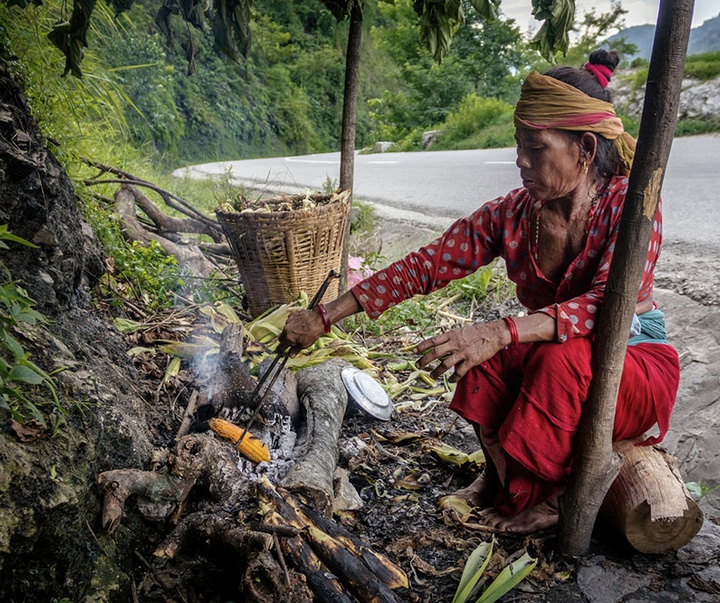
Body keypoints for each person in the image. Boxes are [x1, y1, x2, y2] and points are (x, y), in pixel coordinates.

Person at [281, 49, 680, 534]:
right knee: (480, 357)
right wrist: (324, 317)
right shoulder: (515, 212)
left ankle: (553, 500)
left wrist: (502, 330)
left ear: (586, 150)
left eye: (536, 149)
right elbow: (426, 264)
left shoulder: (631, 206)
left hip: (630, 366)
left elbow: (604, 308)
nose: (520, 162)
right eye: (518, 146)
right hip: (559, 356)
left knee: (554, 359)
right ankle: (499, 479)